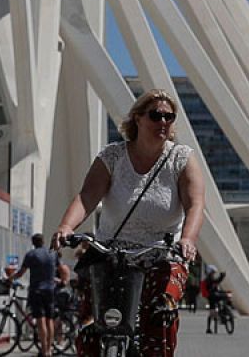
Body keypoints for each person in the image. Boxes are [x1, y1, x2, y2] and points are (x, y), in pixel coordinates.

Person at [53, 89, 205, 357]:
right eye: (156, 115)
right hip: (111, 253)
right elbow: (88, 196)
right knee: (90, 325)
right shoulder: (113, 156)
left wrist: (188, 239)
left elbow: (195, 204)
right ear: (137, 118)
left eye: (169, 117)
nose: (163, 122)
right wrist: (67, 226)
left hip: (161, 253)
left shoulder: (181, 158)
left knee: (160, 314)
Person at [8, 232, 63, 356]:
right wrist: (62, 281)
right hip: (50, 290)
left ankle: (43, 350)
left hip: (36, 290)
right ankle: (50, 349)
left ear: (33, 243)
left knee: (40, 320)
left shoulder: (31, 255)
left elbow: (21, 272)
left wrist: (10, 279)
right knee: (50, 320)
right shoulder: (52, 254)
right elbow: (62, 269)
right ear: (43, 242)